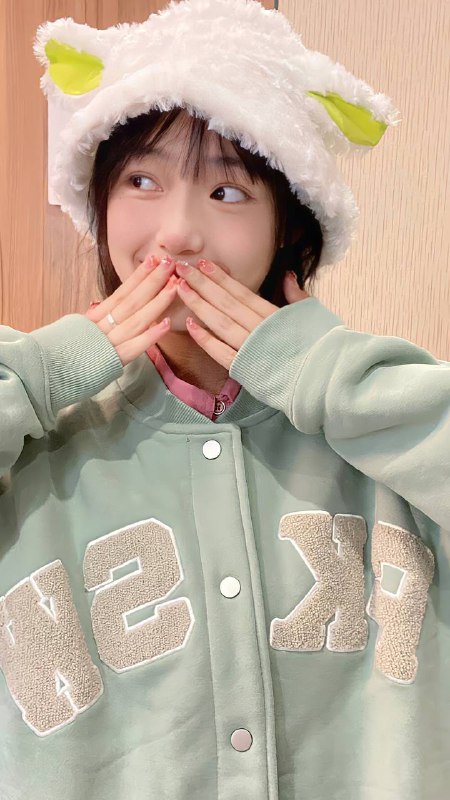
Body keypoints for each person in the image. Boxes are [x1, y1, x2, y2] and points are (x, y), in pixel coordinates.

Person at [1, 1, 449, 798]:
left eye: (229, 191)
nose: (177, 231)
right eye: (141, 180)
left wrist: (323, 373)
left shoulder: (387, 430)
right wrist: (42, 374)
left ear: (289, 228)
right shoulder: (35, 438)